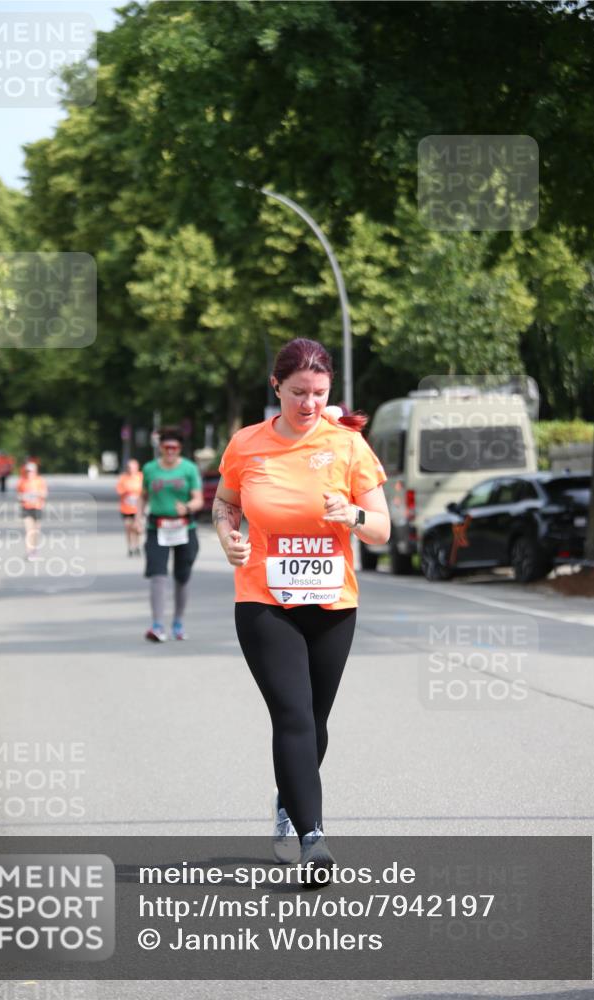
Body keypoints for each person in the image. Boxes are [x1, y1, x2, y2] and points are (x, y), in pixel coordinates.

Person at [212, 338, 390, 883]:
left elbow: (382, 532)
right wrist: (227, 536)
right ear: (276, 387)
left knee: (314, 722)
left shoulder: (349, 447)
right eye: (297, 393)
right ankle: (314, 837)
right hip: (264, 600)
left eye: (319, 393)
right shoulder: (247, 444)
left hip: (333, 603)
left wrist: (352, 513)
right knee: (290, 713)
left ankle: (289, 799)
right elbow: (225, 502)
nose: (309, 403)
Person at [141, 428, 203, 642]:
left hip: (184, 528)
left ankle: (178, 621)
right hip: (157, 528)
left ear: (179, 449)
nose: (170, 451)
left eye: (174, 448)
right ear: (160, 448)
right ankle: (157, 625)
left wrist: (186, 507)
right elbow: (143, 496)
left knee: (182, 577)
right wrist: (139, 518)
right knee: (157, 575)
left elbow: (198, 499)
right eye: (166, 447)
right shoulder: (150, 469)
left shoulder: (188, 469)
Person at [16, 462, 48, 560]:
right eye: (27, 471)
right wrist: (24, 496)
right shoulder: (21, 481)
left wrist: (36, 494)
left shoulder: (40, 481)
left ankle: (35, 550)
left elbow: (45, 494)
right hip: (26, 508)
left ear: (35, 471)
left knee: (36, 531)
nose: (29, 473)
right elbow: (18, 496)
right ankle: (29, 552)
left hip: (37, 507)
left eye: (31, 471)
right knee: (28, 531)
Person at [116, 458, 143, 555]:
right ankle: (130, 547)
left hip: (138, 508)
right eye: (129, 467)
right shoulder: (123, 478)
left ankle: (137, 545)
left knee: (137, 528)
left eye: (133, 467)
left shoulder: (141, 477)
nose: (131, 469)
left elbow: (145, 491)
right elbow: (119, 490)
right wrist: (127, 490)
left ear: (137, 467)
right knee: (128, 527)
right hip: (126, 508)